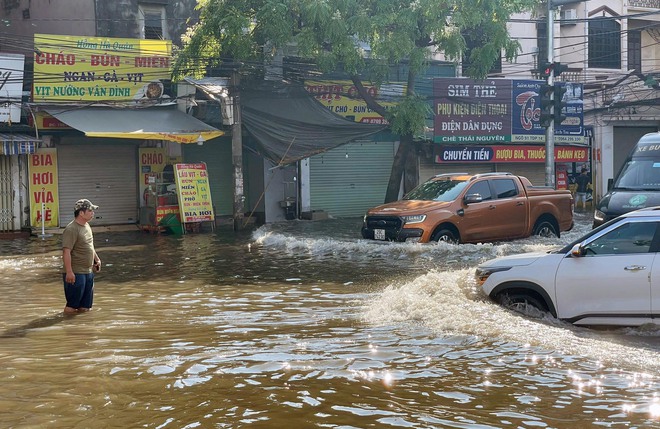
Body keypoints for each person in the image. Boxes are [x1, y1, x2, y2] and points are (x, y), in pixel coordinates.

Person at [62, 199, 100, 314]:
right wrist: (69, 272)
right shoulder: (71, 229)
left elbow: (90, 245)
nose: (92, 213)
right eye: (90, 210)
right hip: (76, 273)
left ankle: (81, 329)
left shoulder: (87, 226)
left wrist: (97, 259)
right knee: (72, 307)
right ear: (81, 213)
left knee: (85, 307)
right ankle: (67, 327)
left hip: (88, 272)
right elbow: (66, 251)